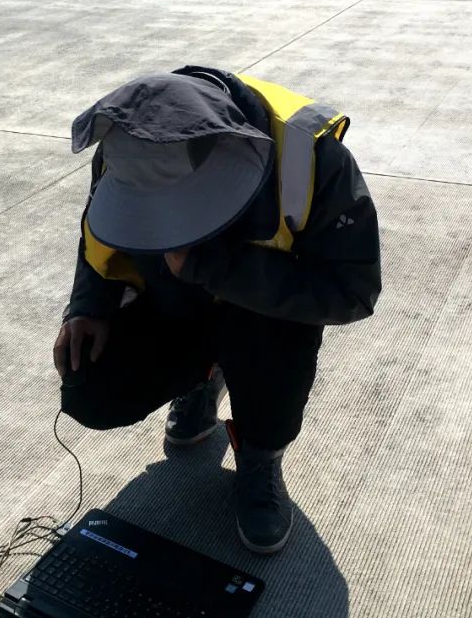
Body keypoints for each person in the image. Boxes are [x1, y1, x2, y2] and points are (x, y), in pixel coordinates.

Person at [52, 66, 382, 554]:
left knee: (274, 357)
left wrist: (215, 266)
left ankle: (261, 454)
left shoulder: (310, 156)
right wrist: (88, 306)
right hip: (175, 307)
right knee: (91, 385)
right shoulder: (128, 144)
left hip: (264, 319)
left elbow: (353, 290)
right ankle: (203, 377)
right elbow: (98, 236)